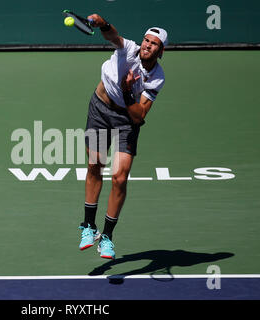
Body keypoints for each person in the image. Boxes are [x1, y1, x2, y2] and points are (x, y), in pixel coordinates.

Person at [78, 13, 167, 260]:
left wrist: (128, 91)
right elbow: (113, 36)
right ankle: (88, 226)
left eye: (154, 44)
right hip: (99, 110)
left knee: (119, 177)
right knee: (95, 164)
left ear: (161, 52)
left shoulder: (157, 77)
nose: (148, 45)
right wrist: (102, 23)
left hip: (127, 121)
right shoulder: (128, 49)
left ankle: (106, 237)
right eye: (146, 41)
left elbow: (138, 117)